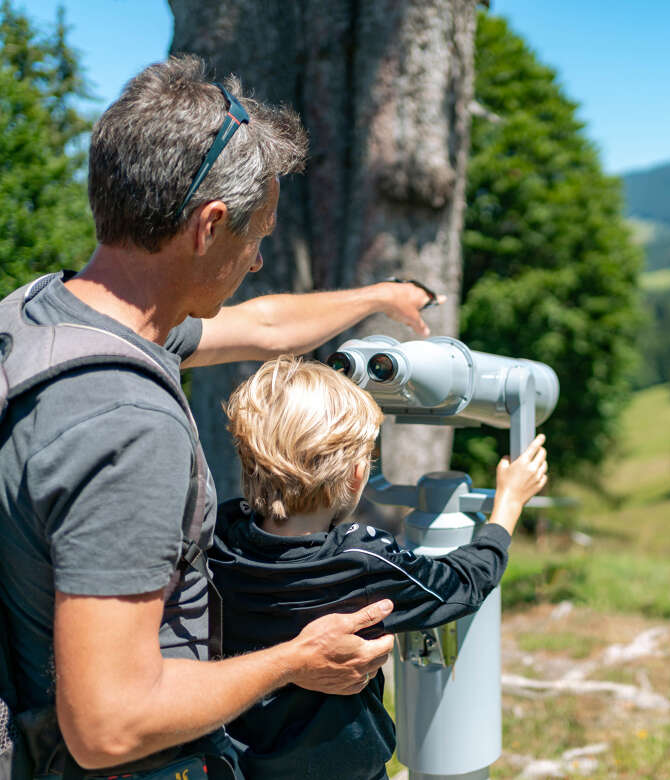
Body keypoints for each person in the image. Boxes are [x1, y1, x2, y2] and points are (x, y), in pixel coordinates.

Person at [0, 55, 442, 777]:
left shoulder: (42, 321)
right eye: (255, 236)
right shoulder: (125, 426)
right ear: (208, 227)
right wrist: (296, 660)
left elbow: (263, 328)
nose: (257, 260)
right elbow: (109, 725)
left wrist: (379, 296)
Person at [210, 356, 548, 780]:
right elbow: (464, 584)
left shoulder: (222, 541)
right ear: (355, 475)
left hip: (246, 766)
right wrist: (508, 505)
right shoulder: (362, 561)